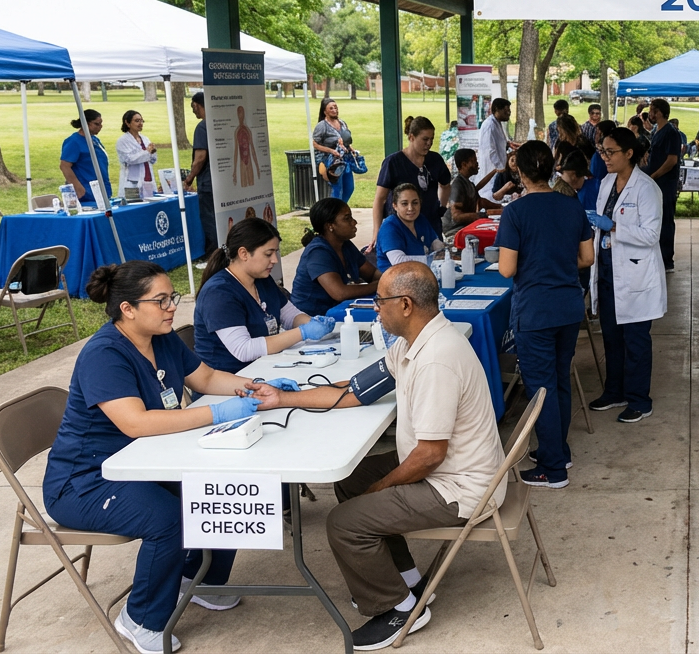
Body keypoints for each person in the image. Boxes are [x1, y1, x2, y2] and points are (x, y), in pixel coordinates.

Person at [42, 261, 342, 654]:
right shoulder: (105, 353)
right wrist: (215, 413)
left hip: (144, 460)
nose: (171, 308)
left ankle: (200, 581)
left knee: (225, 482)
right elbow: (135, 423)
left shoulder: (160, 338)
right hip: (86, 480)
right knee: (169, 518)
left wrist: (256, 387)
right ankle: (141, 618)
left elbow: (205, 379)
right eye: (161, 300)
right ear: (128, 309)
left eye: (173, 298)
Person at [325, 262, 506, 651]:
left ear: (405, 304)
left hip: (460, 487)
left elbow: (429, 456)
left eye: (379, 301)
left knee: (344, 523)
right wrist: (280, 398)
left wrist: (382, 488)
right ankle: (405, 578)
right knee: (349, 481)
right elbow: (356, 390)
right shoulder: (414, 340)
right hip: (450, 468)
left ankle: (400, 608)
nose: (376, 307)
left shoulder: (437, 358)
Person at [497, 141, 595, 487]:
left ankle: (552, 469)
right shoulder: (572, 207)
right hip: (568, 307)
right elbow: (587, 259)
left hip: (535, 311)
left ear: (520, 173)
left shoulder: (515, 212)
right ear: (553, 168)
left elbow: (506, 269)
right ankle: (559, 451)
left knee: (540, 389)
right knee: (558, 380)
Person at [586, 127, 666, 424]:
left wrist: (614, 227)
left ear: (629, 153)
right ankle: (614, 391)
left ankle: (639, 400)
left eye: (610, 152)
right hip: (608, 272)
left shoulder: (646, 188)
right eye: (602, 151)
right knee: (611, 337)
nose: (604, 157)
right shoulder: (607, 182)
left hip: (635, 277)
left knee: (635, 341)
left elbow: (650, 234)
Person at [194, 217, 336, 373]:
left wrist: (314, 324)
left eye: (276, 252)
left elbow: (289, 315)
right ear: (243, 253)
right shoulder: (218, 293)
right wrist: (303, 332)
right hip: (230, 383)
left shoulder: (262, 279)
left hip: (265, 369)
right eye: (268, 254)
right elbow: (243, 349)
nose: (275, 260)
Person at [372, 115, 453, 248]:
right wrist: (377, 231)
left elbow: (445, 185)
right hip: (402, 225)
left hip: (431, 222)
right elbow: (380, 199)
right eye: (425, 139)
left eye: (432, 139)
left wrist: (442, 207)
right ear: (411, 137)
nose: (429, 143)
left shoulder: (435, 159)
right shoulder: (393, 162)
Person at [292, 198, 381, 316]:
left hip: (337, 312)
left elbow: (372, 273)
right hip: (311, 319)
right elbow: (339, 293)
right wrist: (379, 285)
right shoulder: (318, 252)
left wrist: (390, 279)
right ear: (330, 226)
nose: (354, 222)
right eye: (347, 218)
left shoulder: (345, 245)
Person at [641, 98, 681, 273]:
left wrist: (654, 175)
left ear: (658, 112)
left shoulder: (671, 133)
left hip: (665, 183)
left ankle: (666, 259)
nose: (649, 114)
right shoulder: (658, 131)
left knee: (665, 220)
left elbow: (671, 160)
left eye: (651, 110)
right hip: (656, 182)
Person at [376, 184, 443, 274]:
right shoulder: (389, 227)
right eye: (404, 204)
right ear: (395, 206)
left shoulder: (420, 219)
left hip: (420, 273)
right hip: (395, 279)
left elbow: (435, 243)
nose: (411, 208)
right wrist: (433, 259)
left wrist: (447, 251)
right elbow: (398, 261)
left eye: (415, 203)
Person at [183, 92, 218, 260]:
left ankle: (212, 256)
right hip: (221, 180)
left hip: (208, 183)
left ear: (197, 105)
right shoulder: (219, 122)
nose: (193, 111)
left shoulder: (203, 126)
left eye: (192, 107)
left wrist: (189, 179)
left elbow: (200, 158)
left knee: (210, 220)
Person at [442, 148, 504, 239]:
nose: (477, 163)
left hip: (464, 228)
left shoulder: (468, 184)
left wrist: (501, 207)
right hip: (454, 232)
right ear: (464, 164)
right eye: (474, 160)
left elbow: (481, 202)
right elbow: (456, 216)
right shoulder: (457, 185)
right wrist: (479, 216)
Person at [60, 109, 112, 207]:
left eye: (101, 124)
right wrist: (78, 188)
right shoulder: (74, 141)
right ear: (86, 124)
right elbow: (64, 166)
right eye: (97, 124)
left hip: (101, 189)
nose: (100, 127)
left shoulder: (94, 140)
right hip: (86, 191)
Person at [312, 98, 356, 203]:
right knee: (337, 189)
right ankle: (335, 213)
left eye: (335, 107)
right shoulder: (322, 125)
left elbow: (345, 141)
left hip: (344, 159)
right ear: (325, 112)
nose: (334, 110)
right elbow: (314, 144)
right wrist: (331, 151)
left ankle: (340, 208)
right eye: (331, 108)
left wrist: (351, 149)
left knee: (349, 188)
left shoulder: (342, 123)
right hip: (331, 161)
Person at [115, 110, 157, 195]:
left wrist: (153, 151)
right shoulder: (122, 141)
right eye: (137, 121)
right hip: (132, 181)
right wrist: (147, 152)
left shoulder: (145, 139)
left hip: (148, 178)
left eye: (142, 121)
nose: (140, 123)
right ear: (127, 122)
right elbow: (130, 159)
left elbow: (153, 160)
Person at [480, 98, 512, 199]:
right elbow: (490, 150)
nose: (509, 113)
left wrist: (508, 145)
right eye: (506, 110)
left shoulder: (496, 123)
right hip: (493, 168)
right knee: (491, 194)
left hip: (498, 168)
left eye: (509, 110)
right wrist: (500, 167)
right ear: (497, 109)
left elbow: (498, 143)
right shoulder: (490, 125)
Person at [232, 105, 260, 189]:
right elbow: (236, 152)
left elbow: (252, 149)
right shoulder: (237, 131)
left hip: (249, 162)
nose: (241, 115)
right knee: (243, 185)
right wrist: (235, 171)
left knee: (252, 184)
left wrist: (257, 167)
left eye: (242, 113)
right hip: (242, 162)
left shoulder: (247, 130)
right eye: (239, 113)